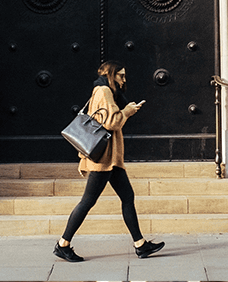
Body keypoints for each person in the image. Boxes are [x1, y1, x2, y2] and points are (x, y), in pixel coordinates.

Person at [53, 61, 165, 263]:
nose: (124, 80)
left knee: (127, 196)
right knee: (87, 202)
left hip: (110, 160)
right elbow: (111, 122)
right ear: (111, 75)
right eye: (121, 76)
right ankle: (63, 244)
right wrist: (128, 111)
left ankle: (140, 244)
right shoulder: (104, 91)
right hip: (103, 160)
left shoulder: (102, 91)